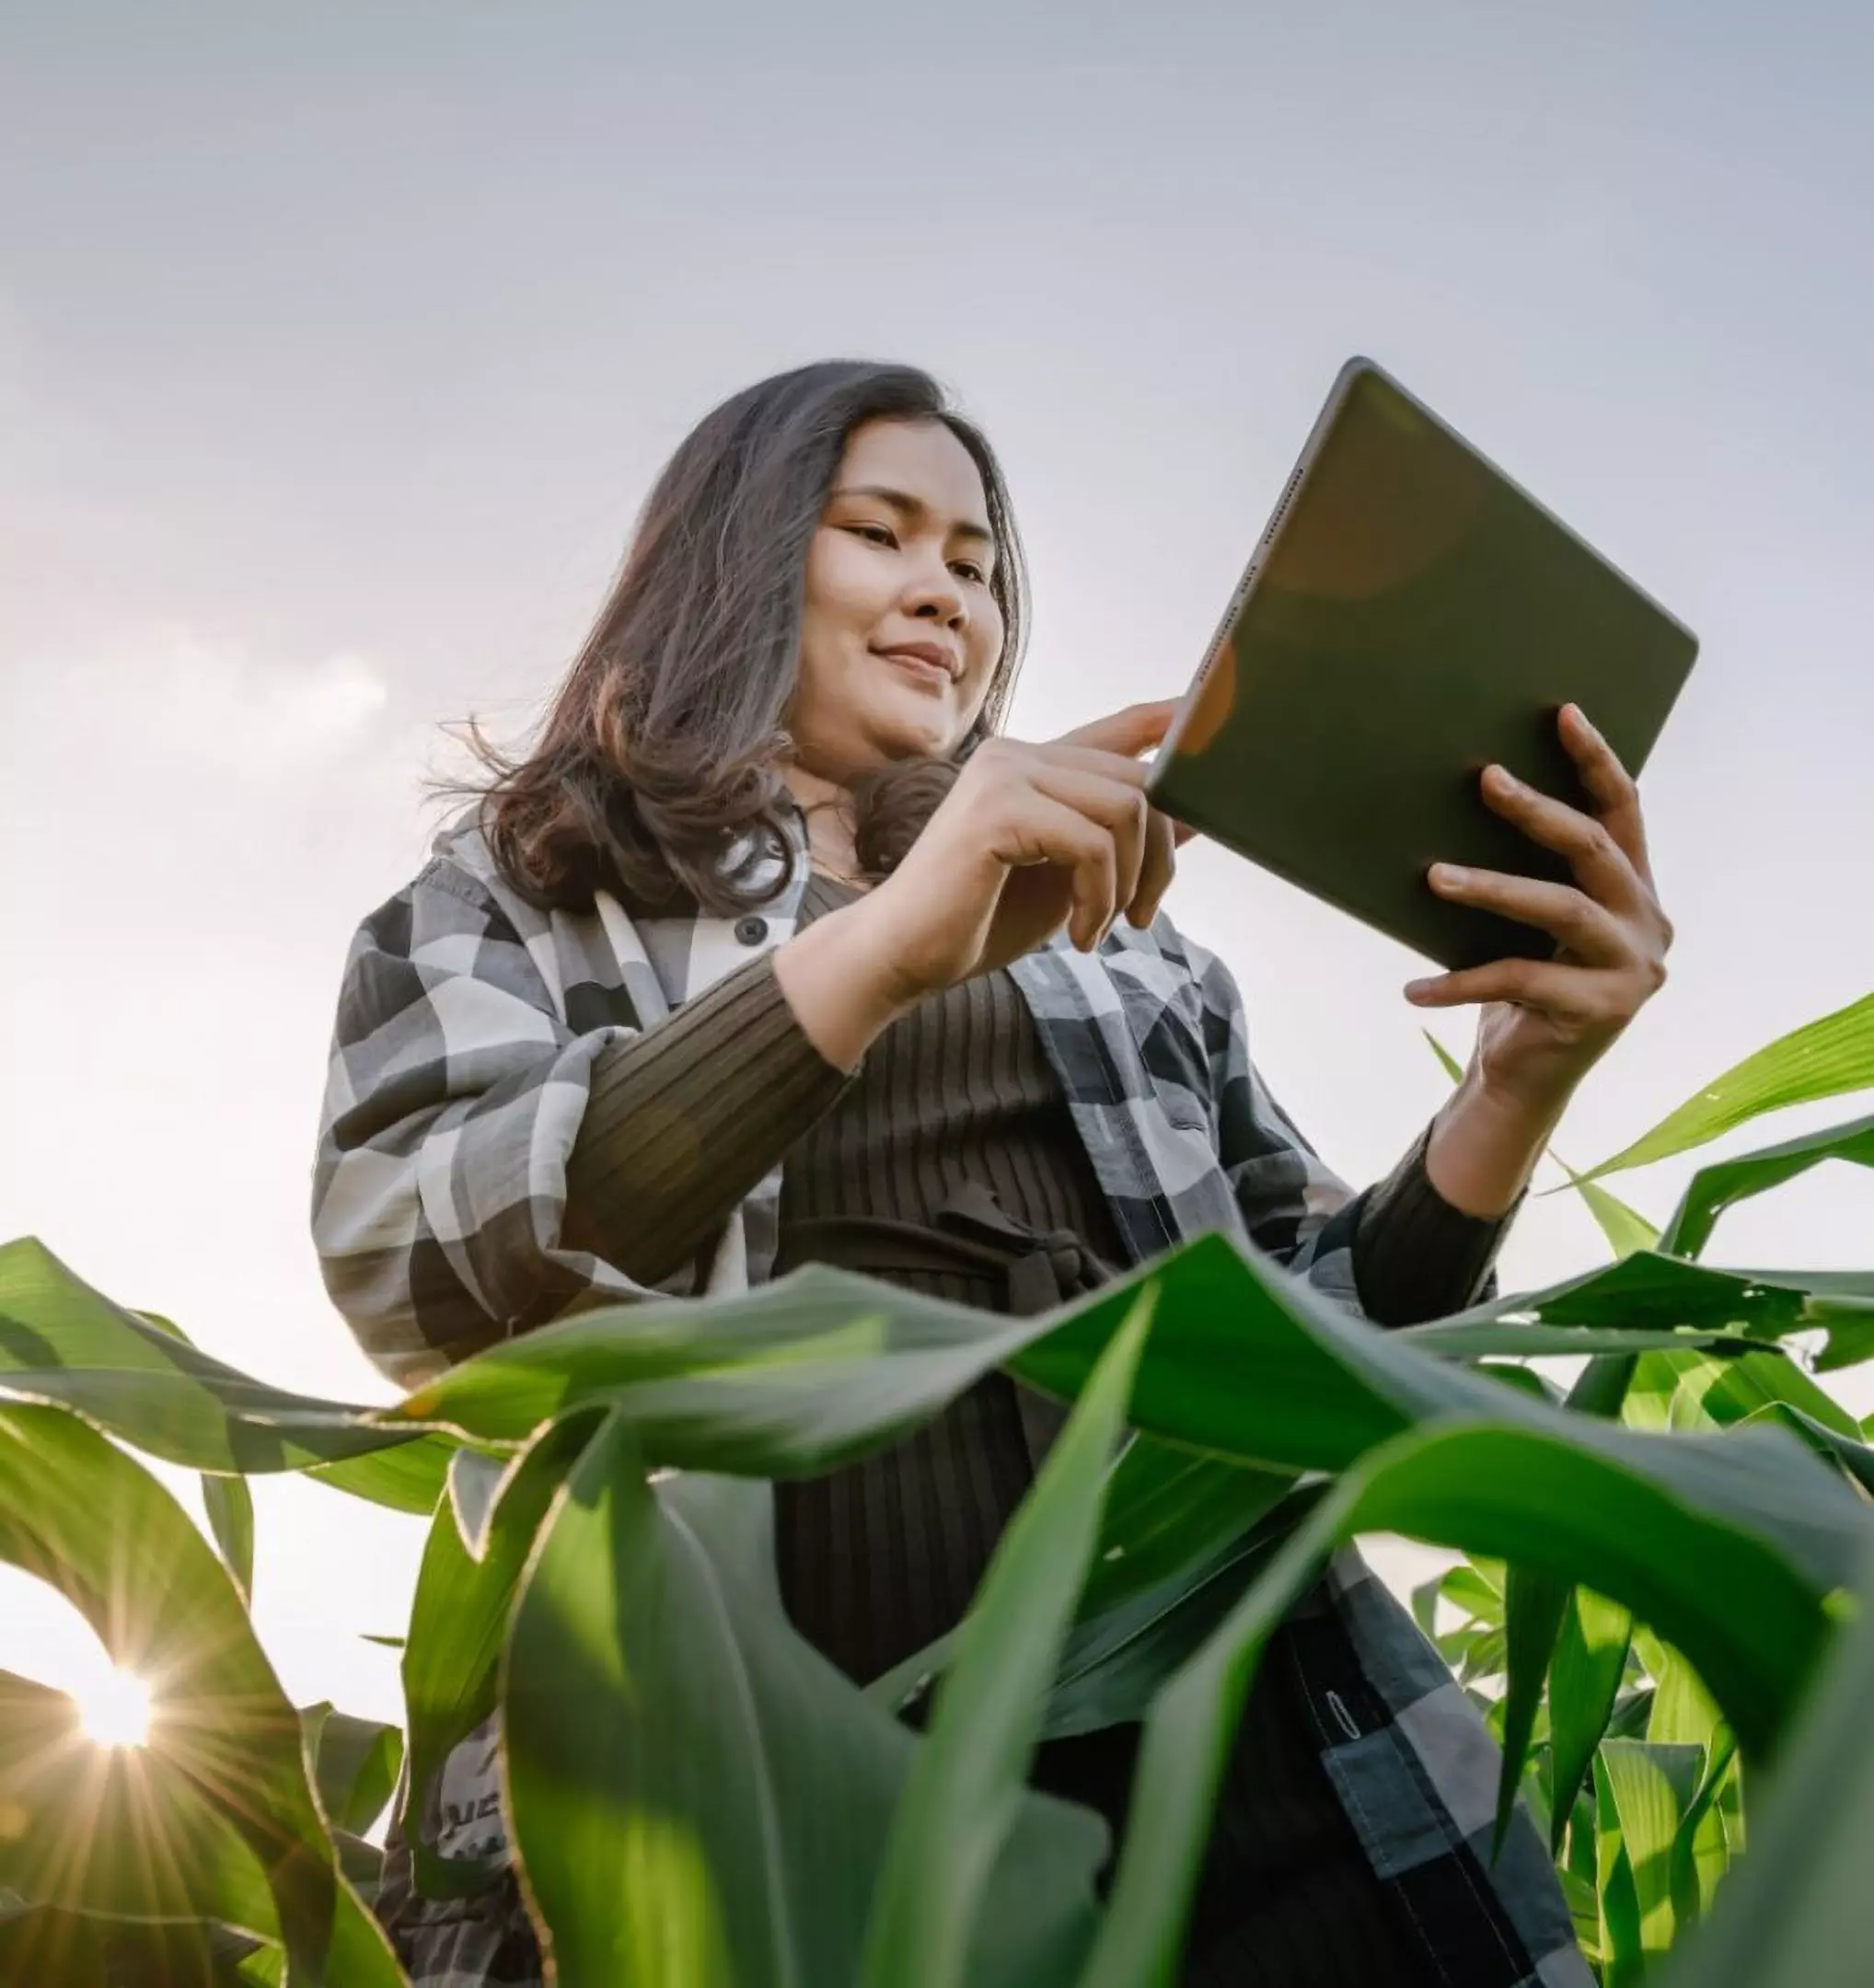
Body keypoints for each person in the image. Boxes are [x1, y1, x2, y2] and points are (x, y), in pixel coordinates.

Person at [313, 361, 1670, 1986]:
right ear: (734, 560)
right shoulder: (524, 892)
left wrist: (1519, 1083)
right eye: (880, 532)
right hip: (756, 1813)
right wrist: (885, 947)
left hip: (1248, 1762)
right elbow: (426, 1270)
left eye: (974, 562)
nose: (941, 591)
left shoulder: (1134, 957)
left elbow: (1325, 1341)